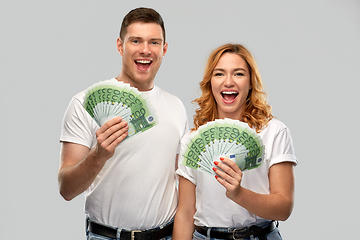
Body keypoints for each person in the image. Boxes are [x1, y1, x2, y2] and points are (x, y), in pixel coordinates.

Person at [58, 7, 188, 240]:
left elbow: (185, 186)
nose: (145, 50)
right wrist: (98, 154)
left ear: (164, 49)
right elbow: (66, 189)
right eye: (136, 41)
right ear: (120, 45)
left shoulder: (176, 107)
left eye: (154, 42)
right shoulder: (83, 104)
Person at [173, 44, 297, 240]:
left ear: (250, 83)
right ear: (210, 83)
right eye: (219, 74)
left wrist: (239, 193)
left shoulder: (274, 132)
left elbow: (284, 208)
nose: (228, 82)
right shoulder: (192, 141)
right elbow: (185, 213)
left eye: (238, 74)